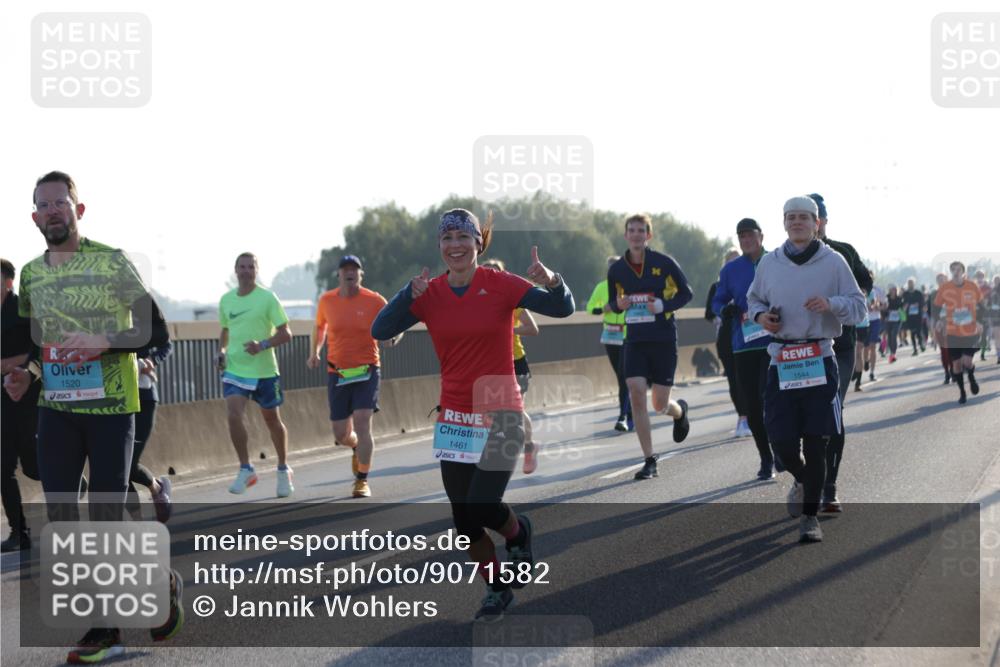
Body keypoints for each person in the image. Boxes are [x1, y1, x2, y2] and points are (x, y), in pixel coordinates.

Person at [4, 171, 182, 662]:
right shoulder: (33, 275)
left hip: (111, 410)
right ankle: (104, 627)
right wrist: (28, 374)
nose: (54, 210)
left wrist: (104, 342)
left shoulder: (111, 262)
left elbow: (157, 332)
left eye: (62, 202)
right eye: (45, 204)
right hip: (57, 411)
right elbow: (44, 343)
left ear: (78, 211)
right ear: (35, 217)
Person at [371, 208, 574, 621]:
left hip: (502, 411)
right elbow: (380, 329)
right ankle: (496, 589)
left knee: (483, 504)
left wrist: (553, 280)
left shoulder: (500, 285)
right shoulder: (429, 294)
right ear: (440, 247)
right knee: (464, 522)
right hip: (456, 418)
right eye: (447, 239)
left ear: (478, 244)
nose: (455, 246)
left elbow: (562, 308)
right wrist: (404, 296)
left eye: (463, 238)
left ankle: (519, 532)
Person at [746, 196, 865, 543]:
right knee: (782, 444)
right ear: (784, 223)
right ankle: (801, 478)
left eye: (804, 217)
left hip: (819, 357)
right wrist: (760, 317)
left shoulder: (834, 262)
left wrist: (831, 304)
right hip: (782, 358)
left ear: (817, 224)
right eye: (791, 217)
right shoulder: (769, 263)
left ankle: (810, 517)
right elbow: (753, 300)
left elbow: (859, 307)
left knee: (816, 443)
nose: (797, 222)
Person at [607, 213, 694, 481]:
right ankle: (649, 459)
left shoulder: (664, 263)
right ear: (625, 235)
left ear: (648, 235)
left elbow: (686, 293)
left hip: (663, 340)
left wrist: (664, 306)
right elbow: (612, 303)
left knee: (659, 404)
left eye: (640, 230)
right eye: (631, 230)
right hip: (634, 340)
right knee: (635, 392)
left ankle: (679, 412)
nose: (635, 234)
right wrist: (618, 305)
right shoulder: (617, 270)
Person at [308, 255, 398, 498]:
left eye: (354, 269)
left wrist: (391, 338)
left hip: (367, 369)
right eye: (345, 269)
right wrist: (315, 352)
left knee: (362, 420)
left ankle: (362, 479)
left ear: (361, 274)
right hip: (338, 372)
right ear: (338, 275)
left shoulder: (374, 300)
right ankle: (355, 446)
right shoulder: (327, 301)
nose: (350, 273)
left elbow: (397, 322)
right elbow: (319, 327)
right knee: (341, 434)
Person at [808, 193, 873, 513]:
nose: (810, 222)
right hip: (799, 350)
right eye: (802, 216)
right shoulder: (782, 258)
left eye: (815, 216)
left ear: (823, 221)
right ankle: (804, 475)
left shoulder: (842, 252)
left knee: (831, 410)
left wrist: (848, 304)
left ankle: (828, 486)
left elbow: (865, 285)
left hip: (840, 347)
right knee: (798, 416)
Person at [218, 253, 294, 497]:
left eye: (251, 267)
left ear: (257, 270)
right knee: (233, 414)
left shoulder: (267, 298)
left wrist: (261, 345)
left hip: (263, 371)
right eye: (242, 266)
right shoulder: (226, 300)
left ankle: (283, 469)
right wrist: (221, 351)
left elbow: (286, 333)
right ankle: (245, 468)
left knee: (272, 420)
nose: (246, 271)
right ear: (235, 270)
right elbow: (226, 330)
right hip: (235, 369)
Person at [711, 219, 777, 479]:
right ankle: (765, 458)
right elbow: (717, 300)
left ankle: (783, 448)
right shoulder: (730, 270)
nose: (746, 240)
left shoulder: (777, 261)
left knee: (772, 399)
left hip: (775, 341)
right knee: (752, 404)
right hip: (744, 344)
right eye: (741, 237)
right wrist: (723, 309)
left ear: (761, 236)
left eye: (750, 235)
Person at [481, 259, 541, 474]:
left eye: (496, 273)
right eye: (487, 273)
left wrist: (508, 331)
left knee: (516, 410)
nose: (491, 277)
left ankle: (529, 447)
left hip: (515, 361)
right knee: (489, 410)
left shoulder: (513, 303)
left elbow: (532, 329)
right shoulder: (478, 304)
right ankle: (495, 445)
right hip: (491, 364)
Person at [1, 258, 40, 552]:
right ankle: (19, 532)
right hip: (1, 398)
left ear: (9, 282)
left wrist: (9, 364)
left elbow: (38, 349)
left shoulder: (24, 309)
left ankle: (72, 479)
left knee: (31, 465)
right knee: (2, 467)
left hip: (28, 395)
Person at [125, 340, 174, 523]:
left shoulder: (143, 315)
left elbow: (166, 344)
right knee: (116, 466)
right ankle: (137, 522)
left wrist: (152, 360)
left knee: (128, 465)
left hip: (143, 397)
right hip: (114, 400)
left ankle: (157, 488)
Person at [706, 249, 750, 438]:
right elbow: (709, 312)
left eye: (737, 261)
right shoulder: (717, 287)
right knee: (734, 379)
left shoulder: (751, 280)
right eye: (729, 262)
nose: (733, 265)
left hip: (749, 334)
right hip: (726, 336)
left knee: (749, 378)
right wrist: (722, 311)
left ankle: (757, 413)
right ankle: (743, 417)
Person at [586, 256, 632, 432]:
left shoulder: (630, 285)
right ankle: (629, 411)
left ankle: (622, 416)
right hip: (610, 334)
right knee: (621, 376)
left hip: (628, 333)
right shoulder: (601, 287)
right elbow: (590, 308)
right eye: (611, 268)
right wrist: (602, 309)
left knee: (623, 375)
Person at [935, 261, 986, 404]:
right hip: (953, 332)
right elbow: (936, 307)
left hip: (970, 331)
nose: (956, 272)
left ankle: (971, 377)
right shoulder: (945, 288)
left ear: (963, 272)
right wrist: (938, 319)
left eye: (958, 269)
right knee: (956, 366)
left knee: (967, 361)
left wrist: (980, 322)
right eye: (953, 270)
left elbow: (982, 306)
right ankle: (962, 392)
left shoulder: (972, 286)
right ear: (951, 272)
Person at [901, 278, 926, 356]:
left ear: (914, 284)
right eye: (909, 283)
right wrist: (905, 307)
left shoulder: (918, 293)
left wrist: (918, 305)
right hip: (909, 316)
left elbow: (923, 303)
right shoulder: (905, 294)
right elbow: (903, 304)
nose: (910, 284)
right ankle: (915, 349)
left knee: (918, 332)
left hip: (918, 315)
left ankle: (921, 344)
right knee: (912, 333)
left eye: (911, 283)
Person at [884, 284, 903, 363]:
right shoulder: (886, 298)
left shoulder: (899, 298)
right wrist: (886, 313)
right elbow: (884, 308)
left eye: (894, 289)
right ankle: (889, 351)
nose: (893, 291)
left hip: (897, 320)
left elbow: (902, 307)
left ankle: (893, 353)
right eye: (892, 289)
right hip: (888, 320)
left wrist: (902, 309)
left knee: (894, 334)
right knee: (889, 335)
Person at [989, 275, 1000, 364]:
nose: (997, 282)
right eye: (995, 280)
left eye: (998, 280)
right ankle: (999, 355)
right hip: (995, 317)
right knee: (997, 337)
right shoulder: (991, 291)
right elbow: (988, 305)